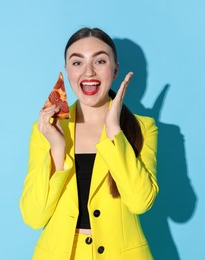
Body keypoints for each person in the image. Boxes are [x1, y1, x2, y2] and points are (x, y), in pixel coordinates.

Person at [20, 27, 159, 260]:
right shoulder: (45, 129)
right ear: (67, 70)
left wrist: (114, 131)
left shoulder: (144, 127)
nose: (89, 72)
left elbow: (140, 202)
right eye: (77, 63)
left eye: (100, 61)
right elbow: (33, 217)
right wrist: (57, 149)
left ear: (115, 70)